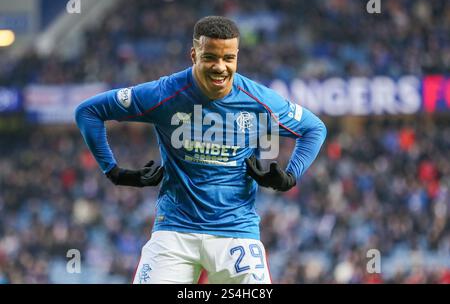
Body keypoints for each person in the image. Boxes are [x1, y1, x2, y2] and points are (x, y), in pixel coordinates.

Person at [75, 16, 326, 284]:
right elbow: (89, 111)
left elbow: (314, 128)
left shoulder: (258, 100)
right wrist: (114, 172)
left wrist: (290, 176)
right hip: (175, 232)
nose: (220, 67)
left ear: (237, 56)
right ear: (193, 54)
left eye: (228, 58)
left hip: (235, 232)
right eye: (210, 58)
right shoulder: (164, 94)